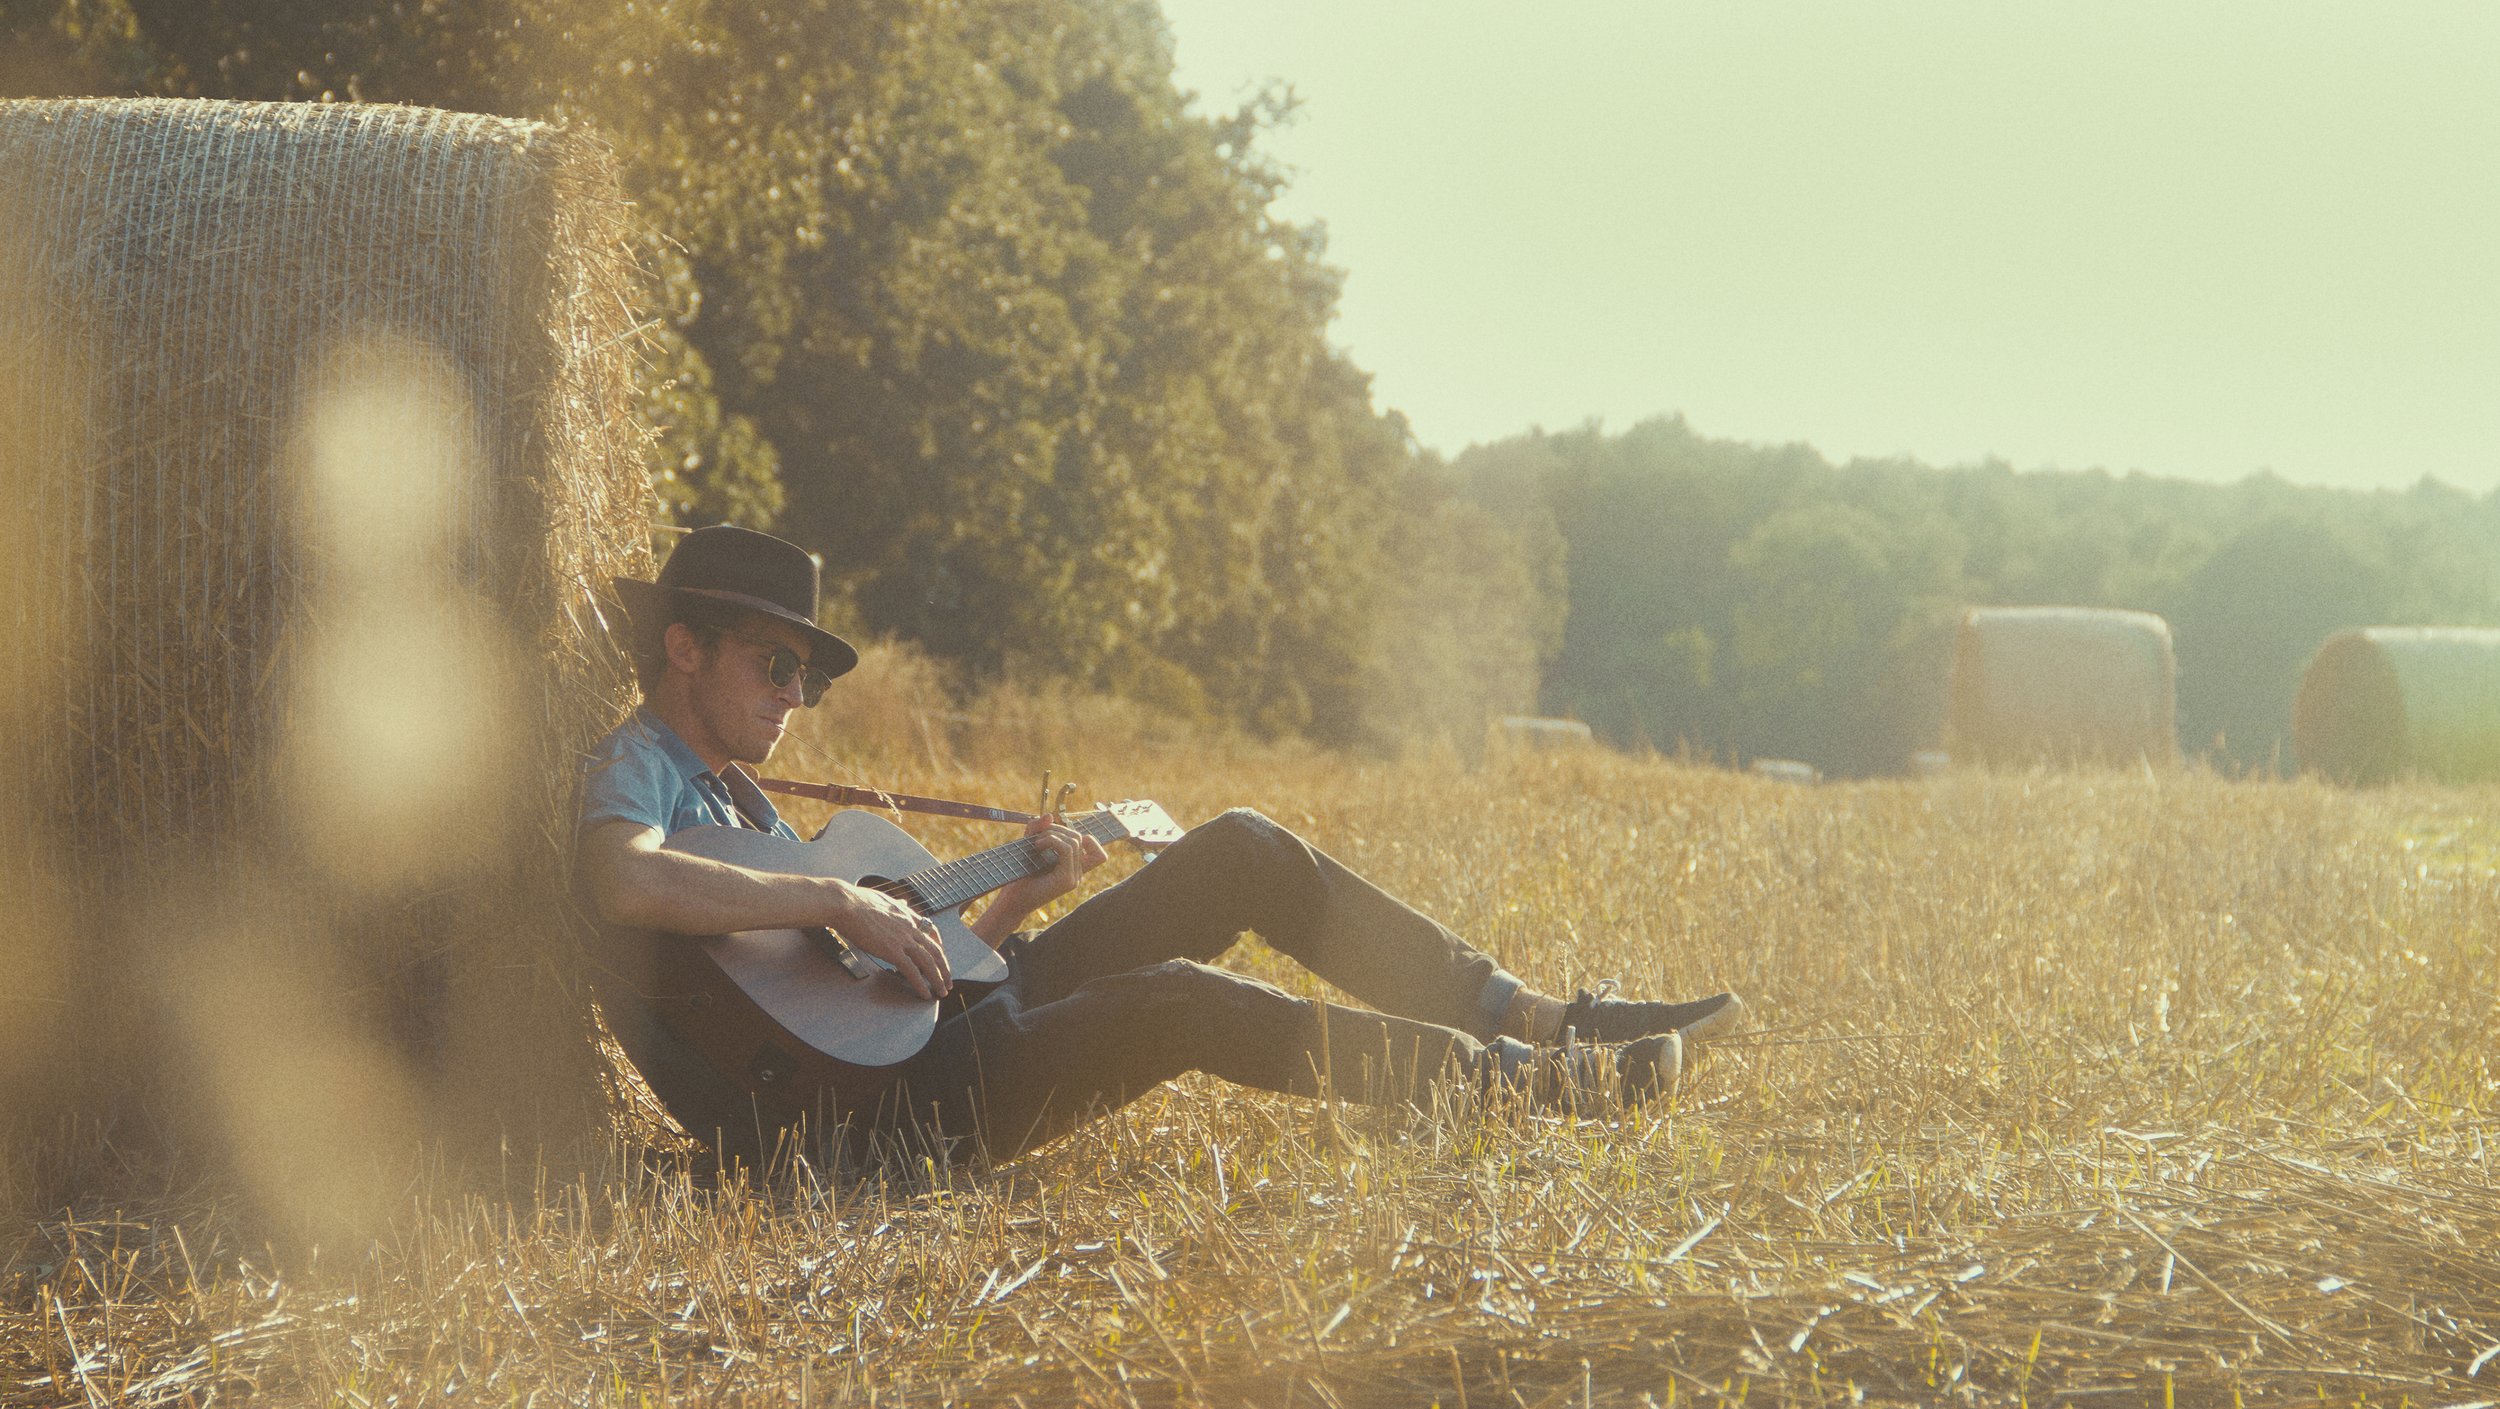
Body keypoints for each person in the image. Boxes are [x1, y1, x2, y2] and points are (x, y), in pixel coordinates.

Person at [577, 525, 1744, 1170]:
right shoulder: (642, 767)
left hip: (949, 1037)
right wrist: (843, 895)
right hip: (903, 1122)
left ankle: (1536, 1012)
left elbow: (882, 993)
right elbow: (619, 874)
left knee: (1238, 845)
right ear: (683, 646)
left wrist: (1013, 905)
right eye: (773, 663)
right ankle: (1533, 1089)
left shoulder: (741, 794)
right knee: (1176, 1001)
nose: (795, 693)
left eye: (807, 676)